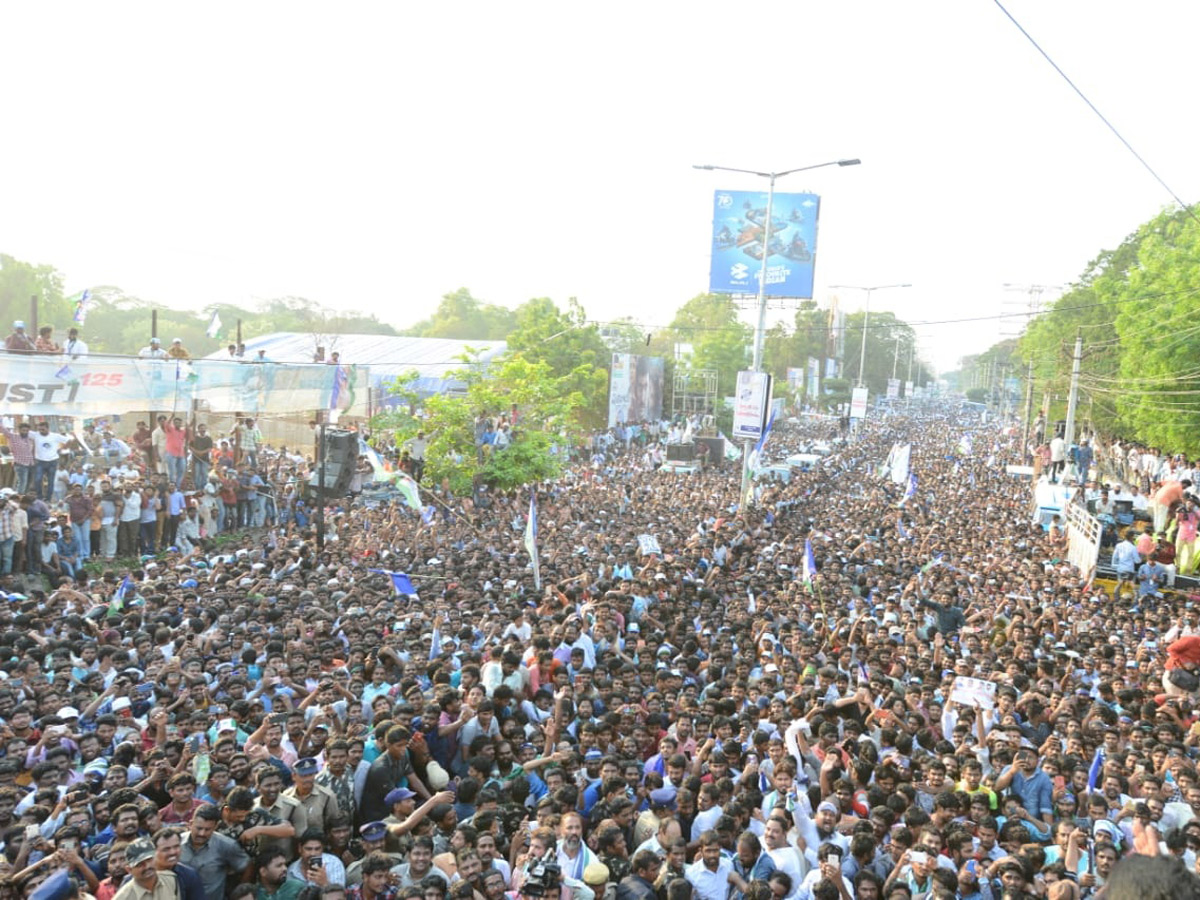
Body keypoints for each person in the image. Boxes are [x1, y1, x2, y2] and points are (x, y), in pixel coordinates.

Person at [181, 804, 252, 900]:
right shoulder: (177, 843)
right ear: (190, 824)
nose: (202, 833)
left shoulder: (226, 845)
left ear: (215, 827)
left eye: (207, 829)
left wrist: (240, 892)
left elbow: (247, 866)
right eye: (199, 828)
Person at [113, 837, 179, 900]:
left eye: (149, 860)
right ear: (129, 870)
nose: (147, 866)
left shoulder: (171, 880)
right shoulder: (123, 897)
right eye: (140, 864)